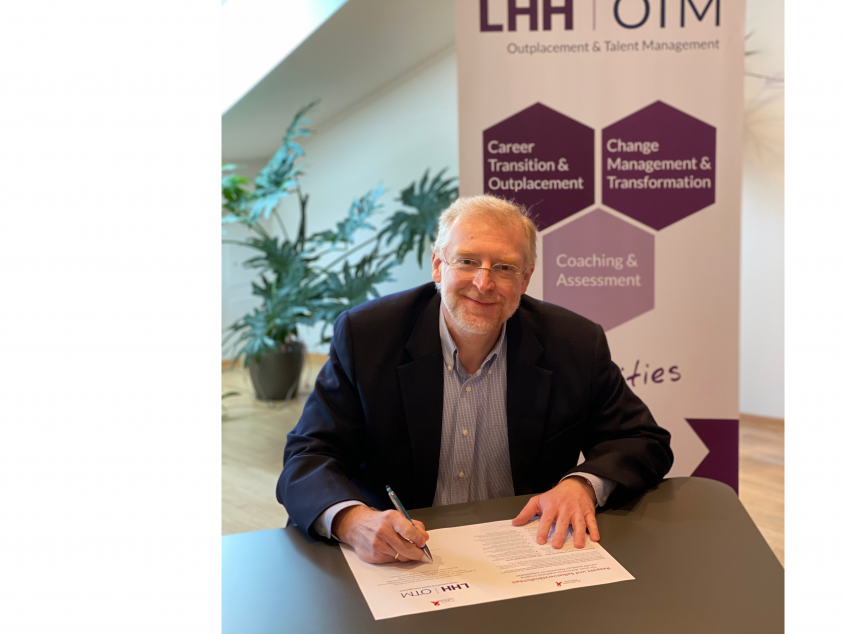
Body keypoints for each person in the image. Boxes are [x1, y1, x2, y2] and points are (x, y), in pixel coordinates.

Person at [277, 195, 673, 564]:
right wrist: (352, 521)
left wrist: (581, 485)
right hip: (400, 557)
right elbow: (309, 455)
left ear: (525, 278)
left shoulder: (574, 344)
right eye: (466, 261)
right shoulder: (367, 336)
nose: (483, 283)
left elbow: (641, 440)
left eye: (504, 267)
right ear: (438, 265)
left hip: (527, 550)